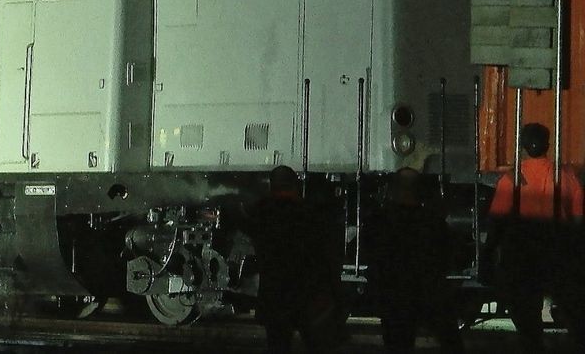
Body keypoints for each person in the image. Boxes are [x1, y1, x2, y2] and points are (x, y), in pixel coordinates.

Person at [487, 122, 585, 352]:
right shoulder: (565, 176)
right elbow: (579, 218)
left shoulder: (512, 179)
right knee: (572, 308)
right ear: (548, 145)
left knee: (525, 311)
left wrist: (488, 253)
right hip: (558, 250)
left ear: (521, 145)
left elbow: (498, 220)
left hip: (523, 253)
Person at [363, 167, 463, 353]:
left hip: (393, 295)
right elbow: (448, 256)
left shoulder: (379, 222)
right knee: (450, 340)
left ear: (393, 190)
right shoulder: (433, 224)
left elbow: (370, 254)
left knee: (397, 343)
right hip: (427, 293)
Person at [249, 165, 341, 353]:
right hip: (306, 296)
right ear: (295, 185)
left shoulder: (262, 213)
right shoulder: (310, 213)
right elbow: (325, 255)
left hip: (274, 296)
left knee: (278, 345)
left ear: (272, 186)